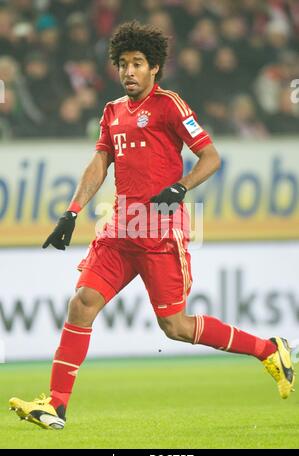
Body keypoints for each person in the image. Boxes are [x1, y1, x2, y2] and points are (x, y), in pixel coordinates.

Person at [9, 21, 295, 430]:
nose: (129, 71)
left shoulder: (170, 105)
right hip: (121, 227)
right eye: (123, 63)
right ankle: (56, 404)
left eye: (138, 63)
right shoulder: (111, 111)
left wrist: (181, 186)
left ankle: (268, 349)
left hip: (160, 230)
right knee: (82, 303)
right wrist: (72, 212)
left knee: (174, 326)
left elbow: (211, 157)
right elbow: (100, 163)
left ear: (154, 68)